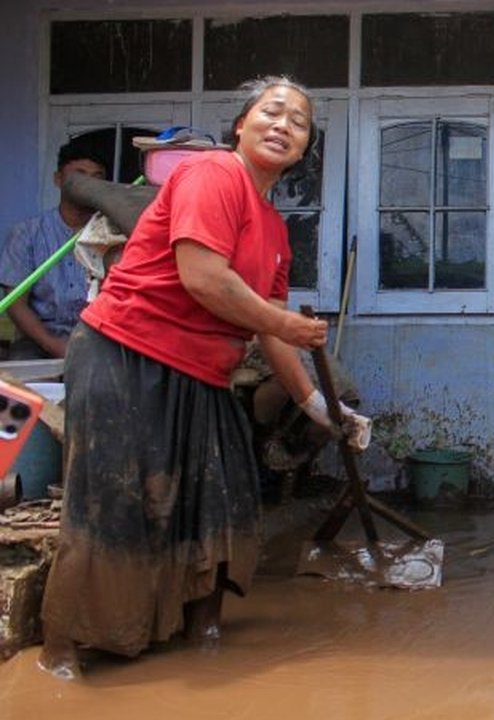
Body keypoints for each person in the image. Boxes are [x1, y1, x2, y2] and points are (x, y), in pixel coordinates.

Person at [38, 76, 370, 679]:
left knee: (222, 505)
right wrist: (287, 325)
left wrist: (316, 402)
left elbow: (267, 331)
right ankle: (63, 656)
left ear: (304, 148)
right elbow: (205, 280)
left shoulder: (273, 228)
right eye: (271, 112)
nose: (283, 125)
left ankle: (201, 639)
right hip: (125, 352)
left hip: (202, 373)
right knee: (110, 506)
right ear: (240, 125)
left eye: (298, 122)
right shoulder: (213, 175)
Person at [0, 142, 107, 359]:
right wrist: (55, 346)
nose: (89, 184)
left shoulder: (114, 235)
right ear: (58, 179)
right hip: (38, 340)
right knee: (21, 387)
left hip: (99, 340)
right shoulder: (27, 233)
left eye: (97, 177)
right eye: (80, 175)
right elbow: (16, 305)